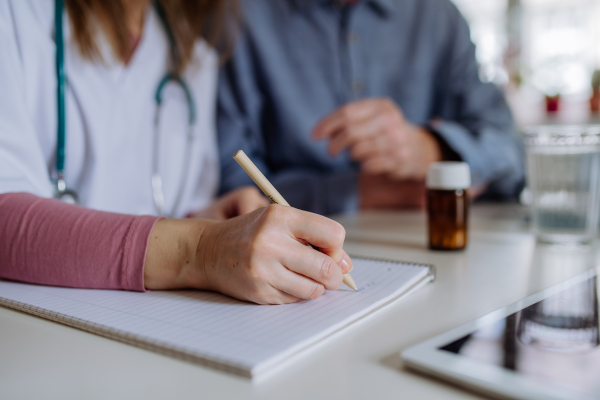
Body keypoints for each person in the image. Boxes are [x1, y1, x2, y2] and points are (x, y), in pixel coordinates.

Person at [0, 0, 353, 305]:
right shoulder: (17, 14)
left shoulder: (190, 54)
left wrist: (212, 219)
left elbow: (161, 210)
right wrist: (198, 249)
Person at [217, 0, 526, 216]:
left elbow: (513, 157)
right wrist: (365, 193)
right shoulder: (238, 17)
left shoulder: (438, 16)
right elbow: (229, 190)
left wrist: (430, 150)